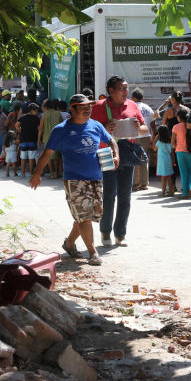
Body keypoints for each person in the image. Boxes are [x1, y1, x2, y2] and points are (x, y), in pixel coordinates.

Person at [30, 94, 118, 266]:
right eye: (83, 107)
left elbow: (111, 140)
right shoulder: (61, 130)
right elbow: (47, 153)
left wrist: (117, 156)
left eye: (89, 107)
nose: (88, 110)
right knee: (84, 217)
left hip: (96, 178)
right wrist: (37, 174)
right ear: (73, 109)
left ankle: (69, 243)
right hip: (74, 180)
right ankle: (93, 253)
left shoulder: (96, 125)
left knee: (86, 216)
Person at [90, 75, 148, 247]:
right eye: (121, 88)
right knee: (108, 195)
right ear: (111, 91)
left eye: (126, 88)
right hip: (108, 153)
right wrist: (104, 129)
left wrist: (139, 128)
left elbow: (145, 129)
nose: (125, 92)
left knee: (125, 196)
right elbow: (89, 131)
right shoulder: (99, 107)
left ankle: (120, 234)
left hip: (128, 152)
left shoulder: (132, 105)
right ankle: (105, 232)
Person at [131, 89, 156, 192]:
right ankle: (144, 184)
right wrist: (153, 138)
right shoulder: (148, 108)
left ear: (133, 97)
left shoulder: (132, 107)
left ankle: (135, 184)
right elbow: (153, 126)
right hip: (146, 136)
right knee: (144, 159)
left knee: (134, 160)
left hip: (135, 136)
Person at [172, 109, 191, 199]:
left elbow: (172, 142)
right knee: (189, 172)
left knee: (183, 172)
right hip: (190, 152)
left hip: (180, 152)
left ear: (179, 117)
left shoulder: (176, 127)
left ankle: (185, 193)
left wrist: (176, 147)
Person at [39, 99, 63, 179]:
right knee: (56, 156)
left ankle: (52, 173)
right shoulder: (58, 114)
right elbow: (62, 126)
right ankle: (57, 172)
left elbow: (41, 128)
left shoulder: (43, 115)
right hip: (58, 137)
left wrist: (38, 139)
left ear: (46, 106)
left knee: (49, 157)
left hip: (47, 138)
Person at [17, 103, 42, 177]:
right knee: (31, 157)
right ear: (32, 110)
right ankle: (31, 173)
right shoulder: (36, 118)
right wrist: (39, 139)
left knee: (23, 157)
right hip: (32, 140)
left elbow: (16, 125)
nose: (37, 112)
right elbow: (38, 128)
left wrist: (20, 131)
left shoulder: (22, 117)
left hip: (23, 139)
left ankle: (22, 173)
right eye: (36, 110)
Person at [154, 125, 175, 196]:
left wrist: (155, 139)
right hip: (168, 160)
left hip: (161, 162)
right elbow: (172, 153)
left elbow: (154, 149)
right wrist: (173, 161)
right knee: (169, 177)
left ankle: (163, 192)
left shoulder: (159, 142)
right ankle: (171, 192)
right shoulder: (169, 142)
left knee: (163, 177)